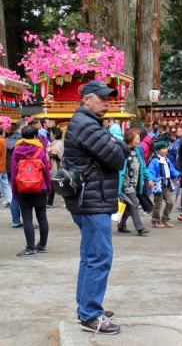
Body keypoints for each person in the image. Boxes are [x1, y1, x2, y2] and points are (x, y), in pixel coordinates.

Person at [64, 80, 130, 335]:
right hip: (92, 202)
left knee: (90, 257)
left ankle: (86, 308)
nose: (106, 102)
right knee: (99, 257)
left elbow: (114, 152)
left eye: (108, 98)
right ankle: (91, 314)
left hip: (90, 199)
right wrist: (121, 145)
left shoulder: (87, 123)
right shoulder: (87, 124)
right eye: (102, 98)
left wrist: (117, 145)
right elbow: (116, 157)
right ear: (87, 99)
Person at [10, 124, 52, 256]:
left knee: (27, 219)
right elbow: (46, 171)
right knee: (42, 218)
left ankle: (30, 248)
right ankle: (43, 245)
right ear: (35, 136)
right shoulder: (40, 150)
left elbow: (13, 172)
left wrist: (15, 192)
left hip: (23, 187)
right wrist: (49, 187)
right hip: (40, 186)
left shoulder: (17, 150)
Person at [117, 128, 152, 235]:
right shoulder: (123, 152)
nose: (139, 141)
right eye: (137, 139)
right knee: (134, 204)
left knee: (128, 207)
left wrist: (149, 178)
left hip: (135, 184)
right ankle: (140, 228)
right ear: (130, 139)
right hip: (126, 185)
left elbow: (143, 166)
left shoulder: (137, 151)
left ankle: (121, 225)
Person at [149, 140, 180, 228]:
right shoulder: (155, 161)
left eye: (166, 148)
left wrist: (179, 175)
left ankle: (165, 218)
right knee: (157, 204)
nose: (166, 150)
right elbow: (151, 171)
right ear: (158, 150)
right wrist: (151, 180)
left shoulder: (167, 160)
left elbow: (172, 170)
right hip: (158, 184)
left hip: (167, 184)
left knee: (170, 202)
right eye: (163, 148)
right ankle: (155, 220)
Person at [6, 118, 26, 228]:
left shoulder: (8, 139)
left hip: (10, 168)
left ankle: (15, 220)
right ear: (22, 127)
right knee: (25, 194)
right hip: (22, 169)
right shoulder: (24, 140)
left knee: (15, 194)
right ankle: (26, 219)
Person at [46, 127, 64, 207]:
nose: (50, 135)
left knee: (60, 184)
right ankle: (49, 202)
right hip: (53, 167)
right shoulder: (55, 143)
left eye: (51, 133)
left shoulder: (59, 143)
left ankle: (66, 202)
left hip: (57, 166)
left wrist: (49, 150)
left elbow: (54, 154)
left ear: (55, 135)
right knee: (52, 185)